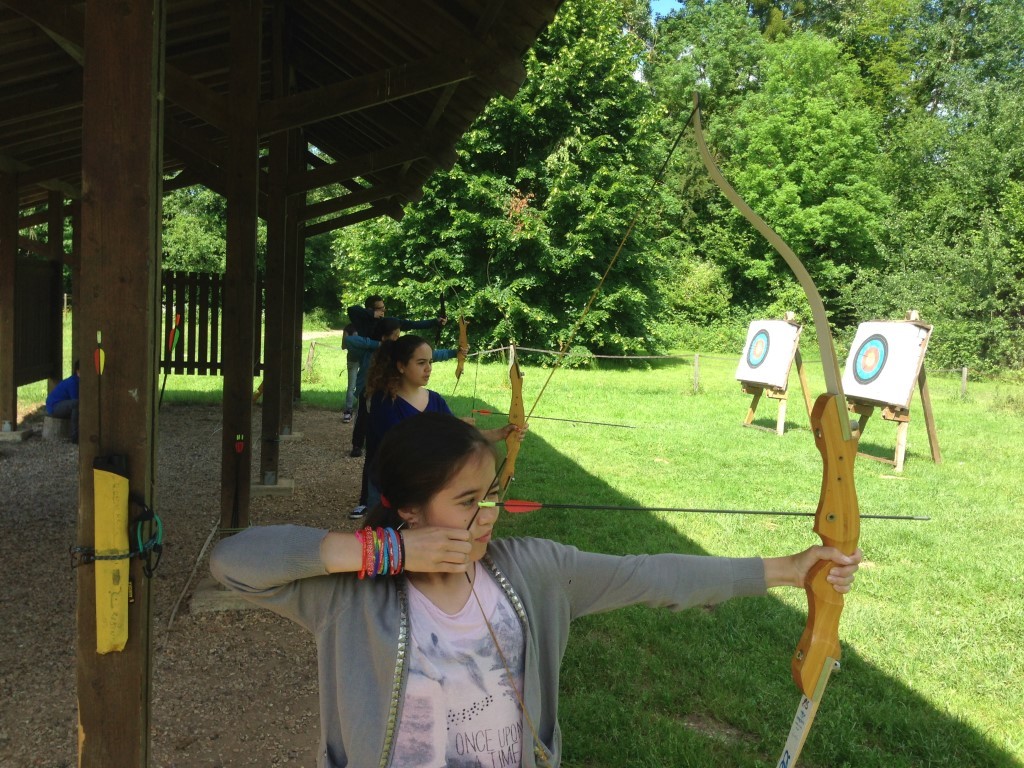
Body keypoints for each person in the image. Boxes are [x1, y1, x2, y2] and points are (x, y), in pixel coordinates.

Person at [211, 413, 862, 768]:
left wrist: (788, 569)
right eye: (466, 500)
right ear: (407, 510)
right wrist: (375, 552)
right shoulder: (349, 594)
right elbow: (233, 560)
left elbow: (651, 574)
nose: (487, 514)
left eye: (492, 494)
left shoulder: (533, 569)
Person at [358, 334, 512, 516]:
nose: (428, 369)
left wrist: (501, 433)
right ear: (401, 366)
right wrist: (447, 431)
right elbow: (401, 446)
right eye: (421, 363)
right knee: (386, 539)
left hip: (423, 487)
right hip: (388, 487)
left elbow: (462, 437)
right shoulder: (383, 401)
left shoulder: (435, 399)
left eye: (430, 362)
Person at [346, 295, 445, 459]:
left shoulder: (391, 323)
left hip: (388, 384)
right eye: (379, 308)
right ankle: (357, 445)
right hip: (368, 384)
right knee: (364, 415)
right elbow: (352, 315)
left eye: (384, 308)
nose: (383, 311)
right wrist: (378, 341)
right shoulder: (366, 323)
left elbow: (413, 324)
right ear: (370, 309)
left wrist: (435, 321)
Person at [45, 360, 80, 443]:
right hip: (54, 407)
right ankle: (75, 437)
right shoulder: (73, 382)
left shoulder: (77, 381)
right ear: (78, 371)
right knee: (76, 404)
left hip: (62, 405)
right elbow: (75, 399)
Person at [340, 323, 360, 423]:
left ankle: (348, 411)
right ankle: (361, 411)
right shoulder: (368, 325)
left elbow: (343, 346)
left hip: (352, 359)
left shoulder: (349, 328)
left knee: (351, 387)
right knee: (364, 385)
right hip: (364, 359)